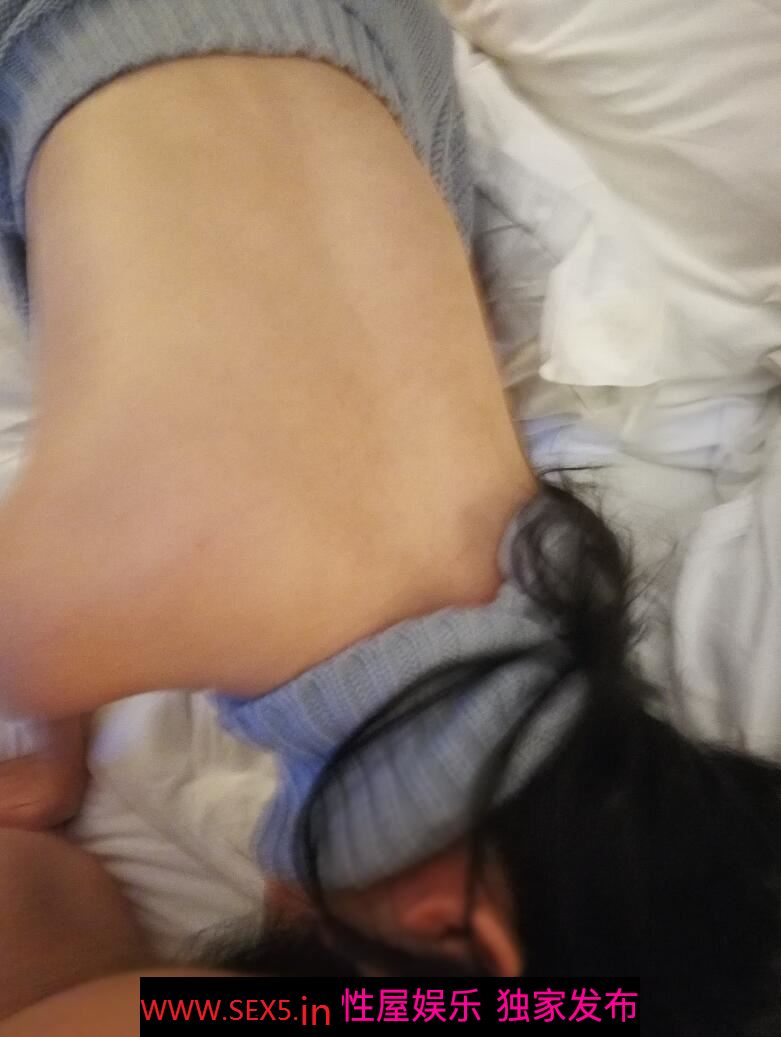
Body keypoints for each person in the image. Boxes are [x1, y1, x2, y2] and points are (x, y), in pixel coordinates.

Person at [0, 2, 777, 1034]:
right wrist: (46, 703)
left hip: (374, 49)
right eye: (323, 953)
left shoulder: (531, 558)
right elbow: (72, 606)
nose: (279, 902)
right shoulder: (58, 619)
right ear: (453, 932)